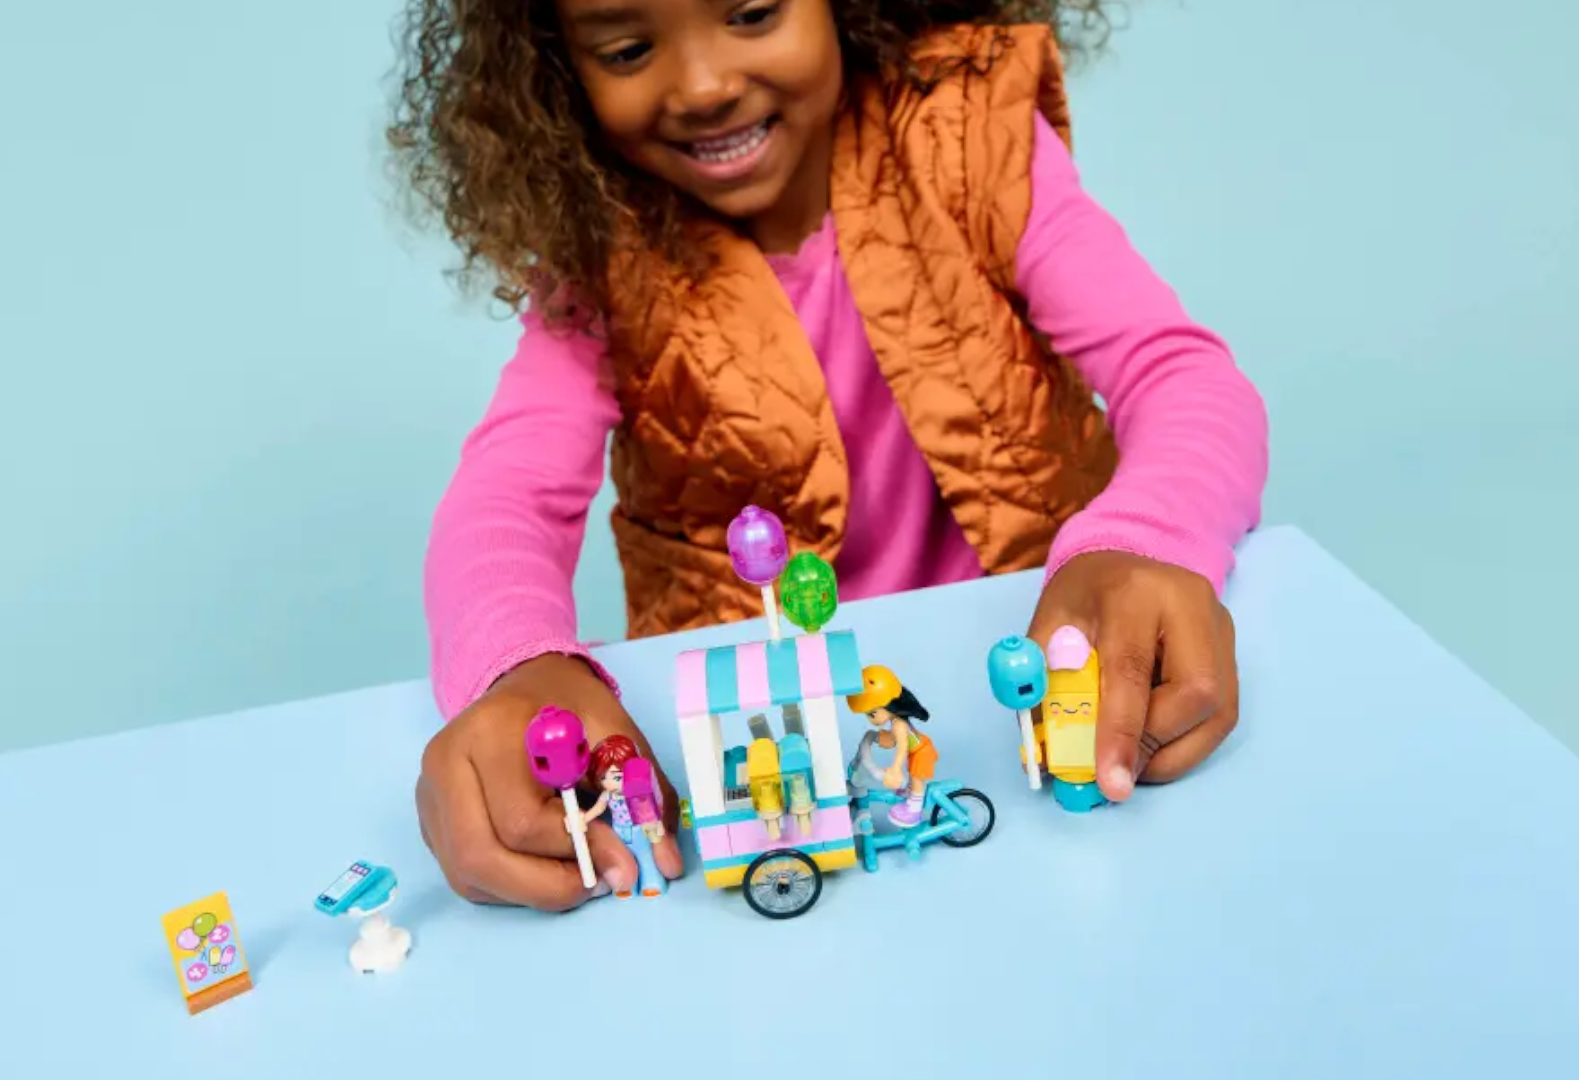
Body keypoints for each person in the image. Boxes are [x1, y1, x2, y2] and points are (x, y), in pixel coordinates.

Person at [402, 0, 1269, 911]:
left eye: (752, 12)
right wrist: (514, 667)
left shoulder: (972, 134)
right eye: (626, 49)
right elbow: (506, 497)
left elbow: (1181, 377)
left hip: (1003, 705)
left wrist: (1144, 538)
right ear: (554, 71)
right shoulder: (603, 250)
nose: (703, 86)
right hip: (767, 751)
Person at [846, 666, 936, 826]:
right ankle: (910, 792)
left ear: (887, 705)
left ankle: (914, 809)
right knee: (913, 772)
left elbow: (901, 749)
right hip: (917, 749)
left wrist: (895, 769)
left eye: (872, 714)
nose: (870, 719)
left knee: (916, 776)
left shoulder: (898, 726)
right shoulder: (895, 722)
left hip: (922, 751)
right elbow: (892, 740)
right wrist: (875, 737)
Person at [580, 736, 667, 898]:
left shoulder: (636, 794)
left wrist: (655, 826)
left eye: (617, 777)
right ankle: (629, 885)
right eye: (603, 778)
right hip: (619, 831)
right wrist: (584, 819)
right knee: (626, 857)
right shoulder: (607, 795)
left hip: (638, 830)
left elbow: (649, 810)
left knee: (645, 856)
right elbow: (598, 808)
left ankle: (652, 881)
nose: (610, 784)